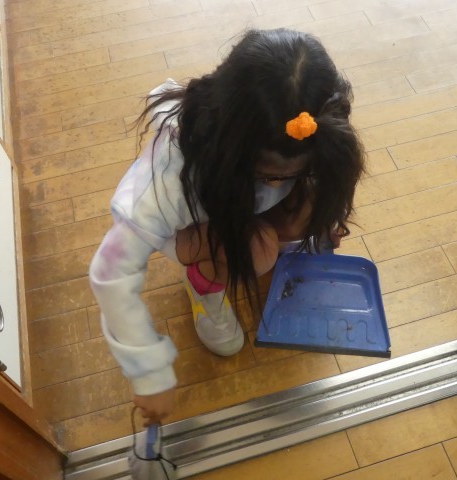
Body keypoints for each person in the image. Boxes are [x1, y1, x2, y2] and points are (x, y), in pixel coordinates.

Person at [89, 28, 365, 426]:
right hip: (196, 224)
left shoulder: (311, 133)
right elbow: (109, 273)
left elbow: (319, 180)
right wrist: (147, 370)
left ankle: (261, 224)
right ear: (230, 147)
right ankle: (205, 283)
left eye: (291, 173)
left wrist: (324, 223)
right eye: (269, 174)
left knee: (309, 207)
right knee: (258, 252)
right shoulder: (168, 182)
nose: (279, 182)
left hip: (244, 200)